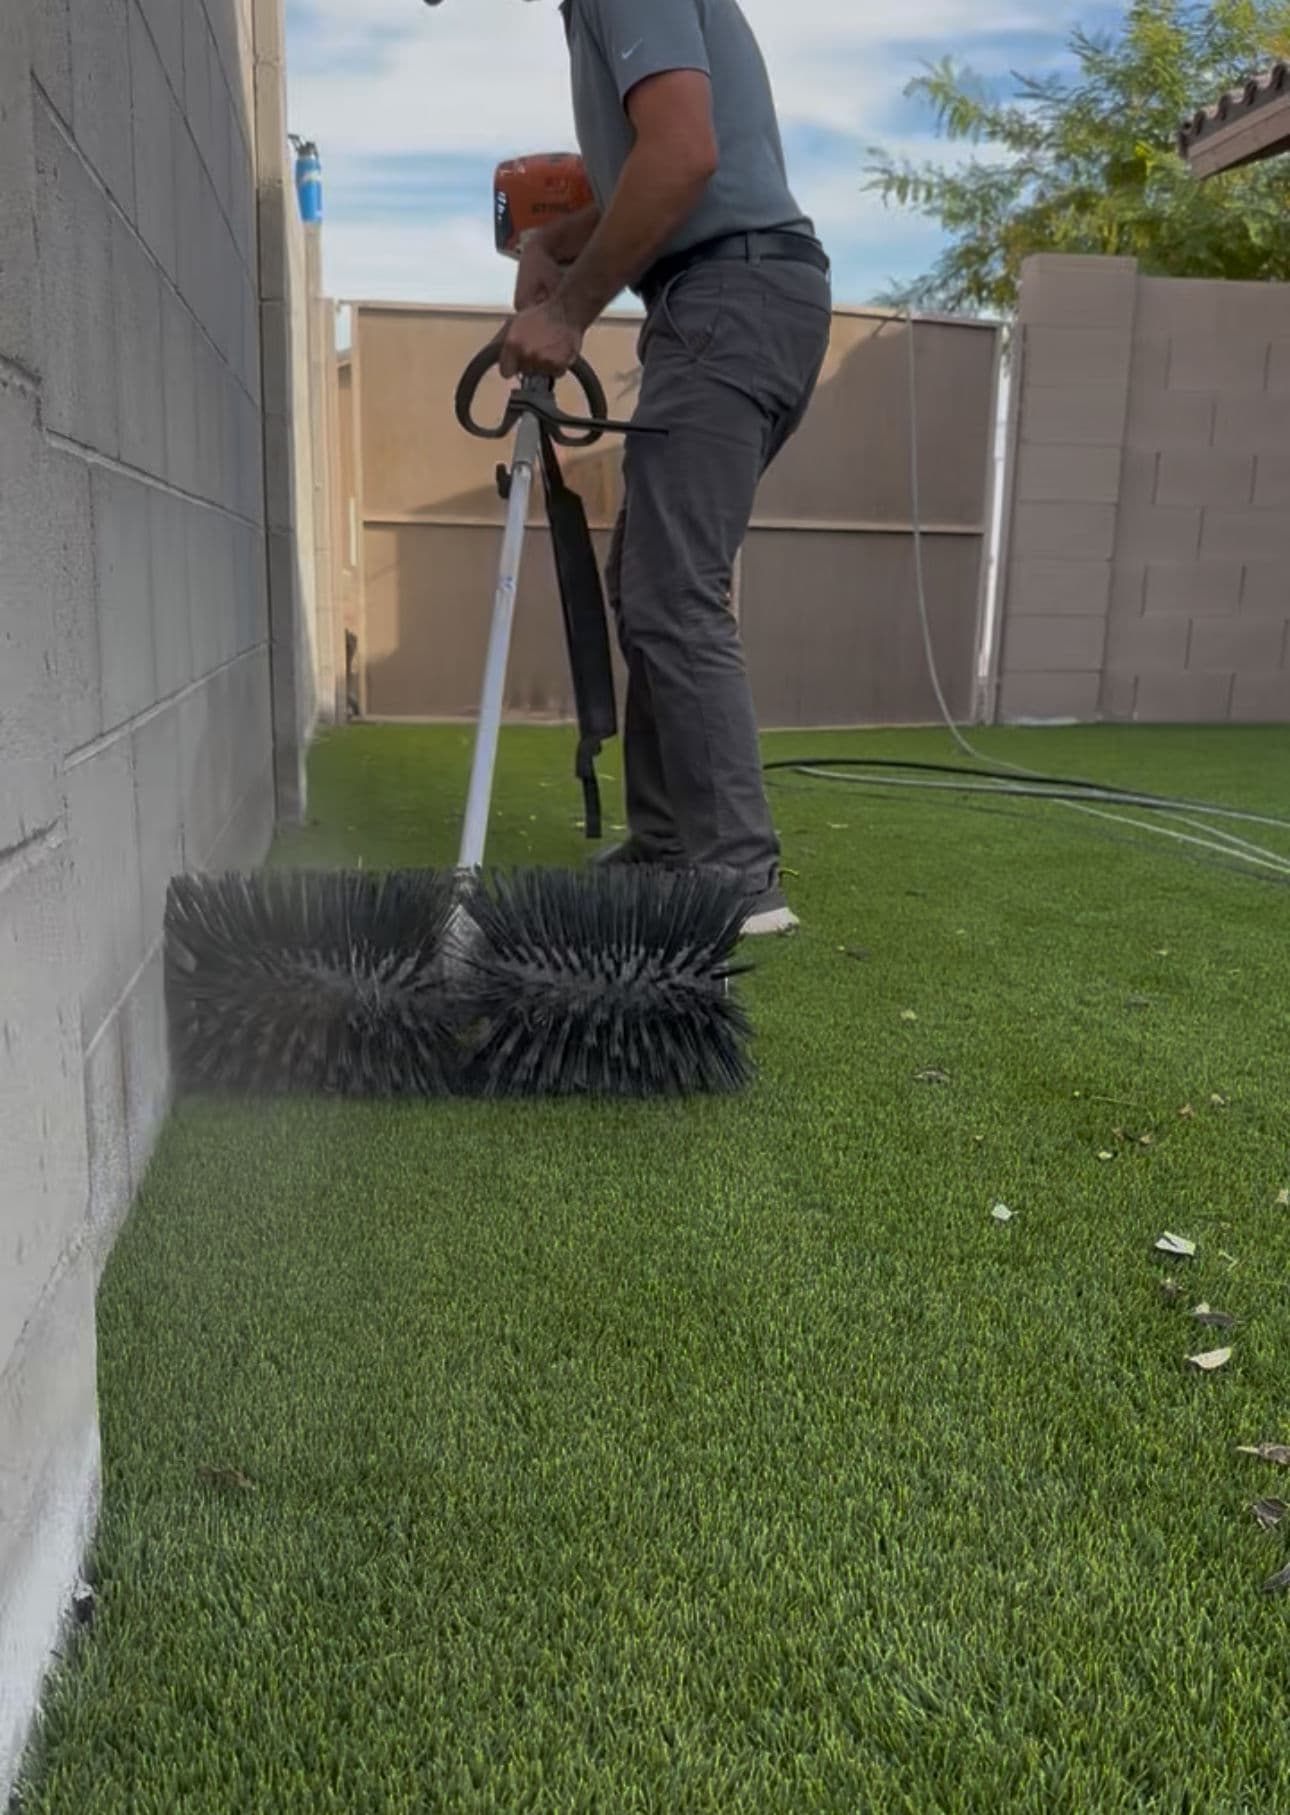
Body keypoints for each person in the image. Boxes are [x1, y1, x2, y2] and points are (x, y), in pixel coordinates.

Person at [500, 0, 831, 936]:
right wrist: (550, 244)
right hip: (731, 294)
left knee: (673, 586)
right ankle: (669, 846)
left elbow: (684, 155)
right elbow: (658, 165)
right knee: (645, 574)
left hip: (732, 295)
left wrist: (565, 312)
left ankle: (736, 875)